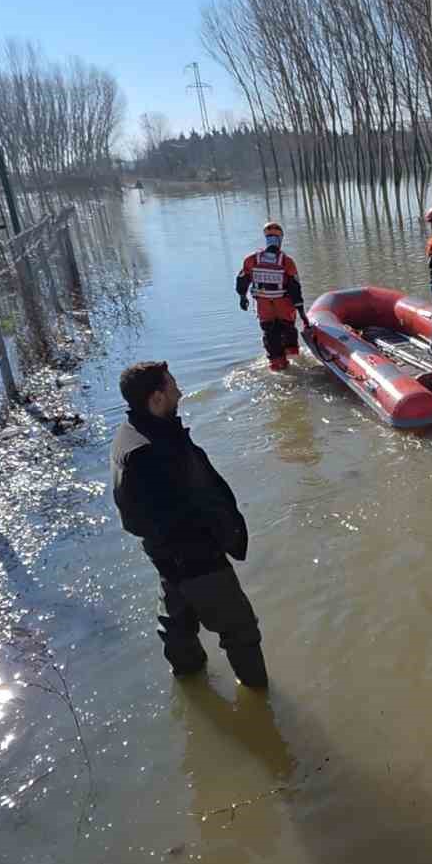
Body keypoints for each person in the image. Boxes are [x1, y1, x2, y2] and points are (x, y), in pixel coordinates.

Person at [110, 361, 268, 687]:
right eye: (172, 386)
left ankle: (191, 689)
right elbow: (164, 513)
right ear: (156, 398)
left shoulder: (133, 433)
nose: (180, 392)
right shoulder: (150, 453)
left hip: (169, 561)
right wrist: (211, 541)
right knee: (241, 632)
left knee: (177, 629)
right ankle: (259, 695)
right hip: (197, 561)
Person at [236, 221, 306, 372]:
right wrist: (302, 313)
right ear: (280, 239)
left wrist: (242, 297)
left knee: (270, 335)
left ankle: (277, 365)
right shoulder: (286, 262)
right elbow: (295, 288)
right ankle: (294, 360)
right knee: (289, 333)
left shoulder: (252, 260)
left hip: (264, 307)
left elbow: (242, 280)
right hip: (284, 308)